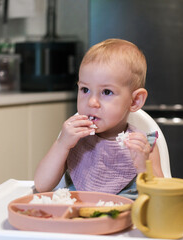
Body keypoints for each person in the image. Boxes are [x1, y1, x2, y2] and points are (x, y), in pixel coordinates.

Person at [34, 39, 163, 197]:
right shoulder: (74, 138)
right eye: (85, 89)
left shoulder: (145, 144)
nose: (91, 102)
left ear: (135, 100)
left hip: (127, 219)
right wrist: (62, 144)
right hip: (76, 216)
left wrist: (144, 166)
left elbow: (161, 196)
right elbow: (41, 186)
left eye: (106, 92)